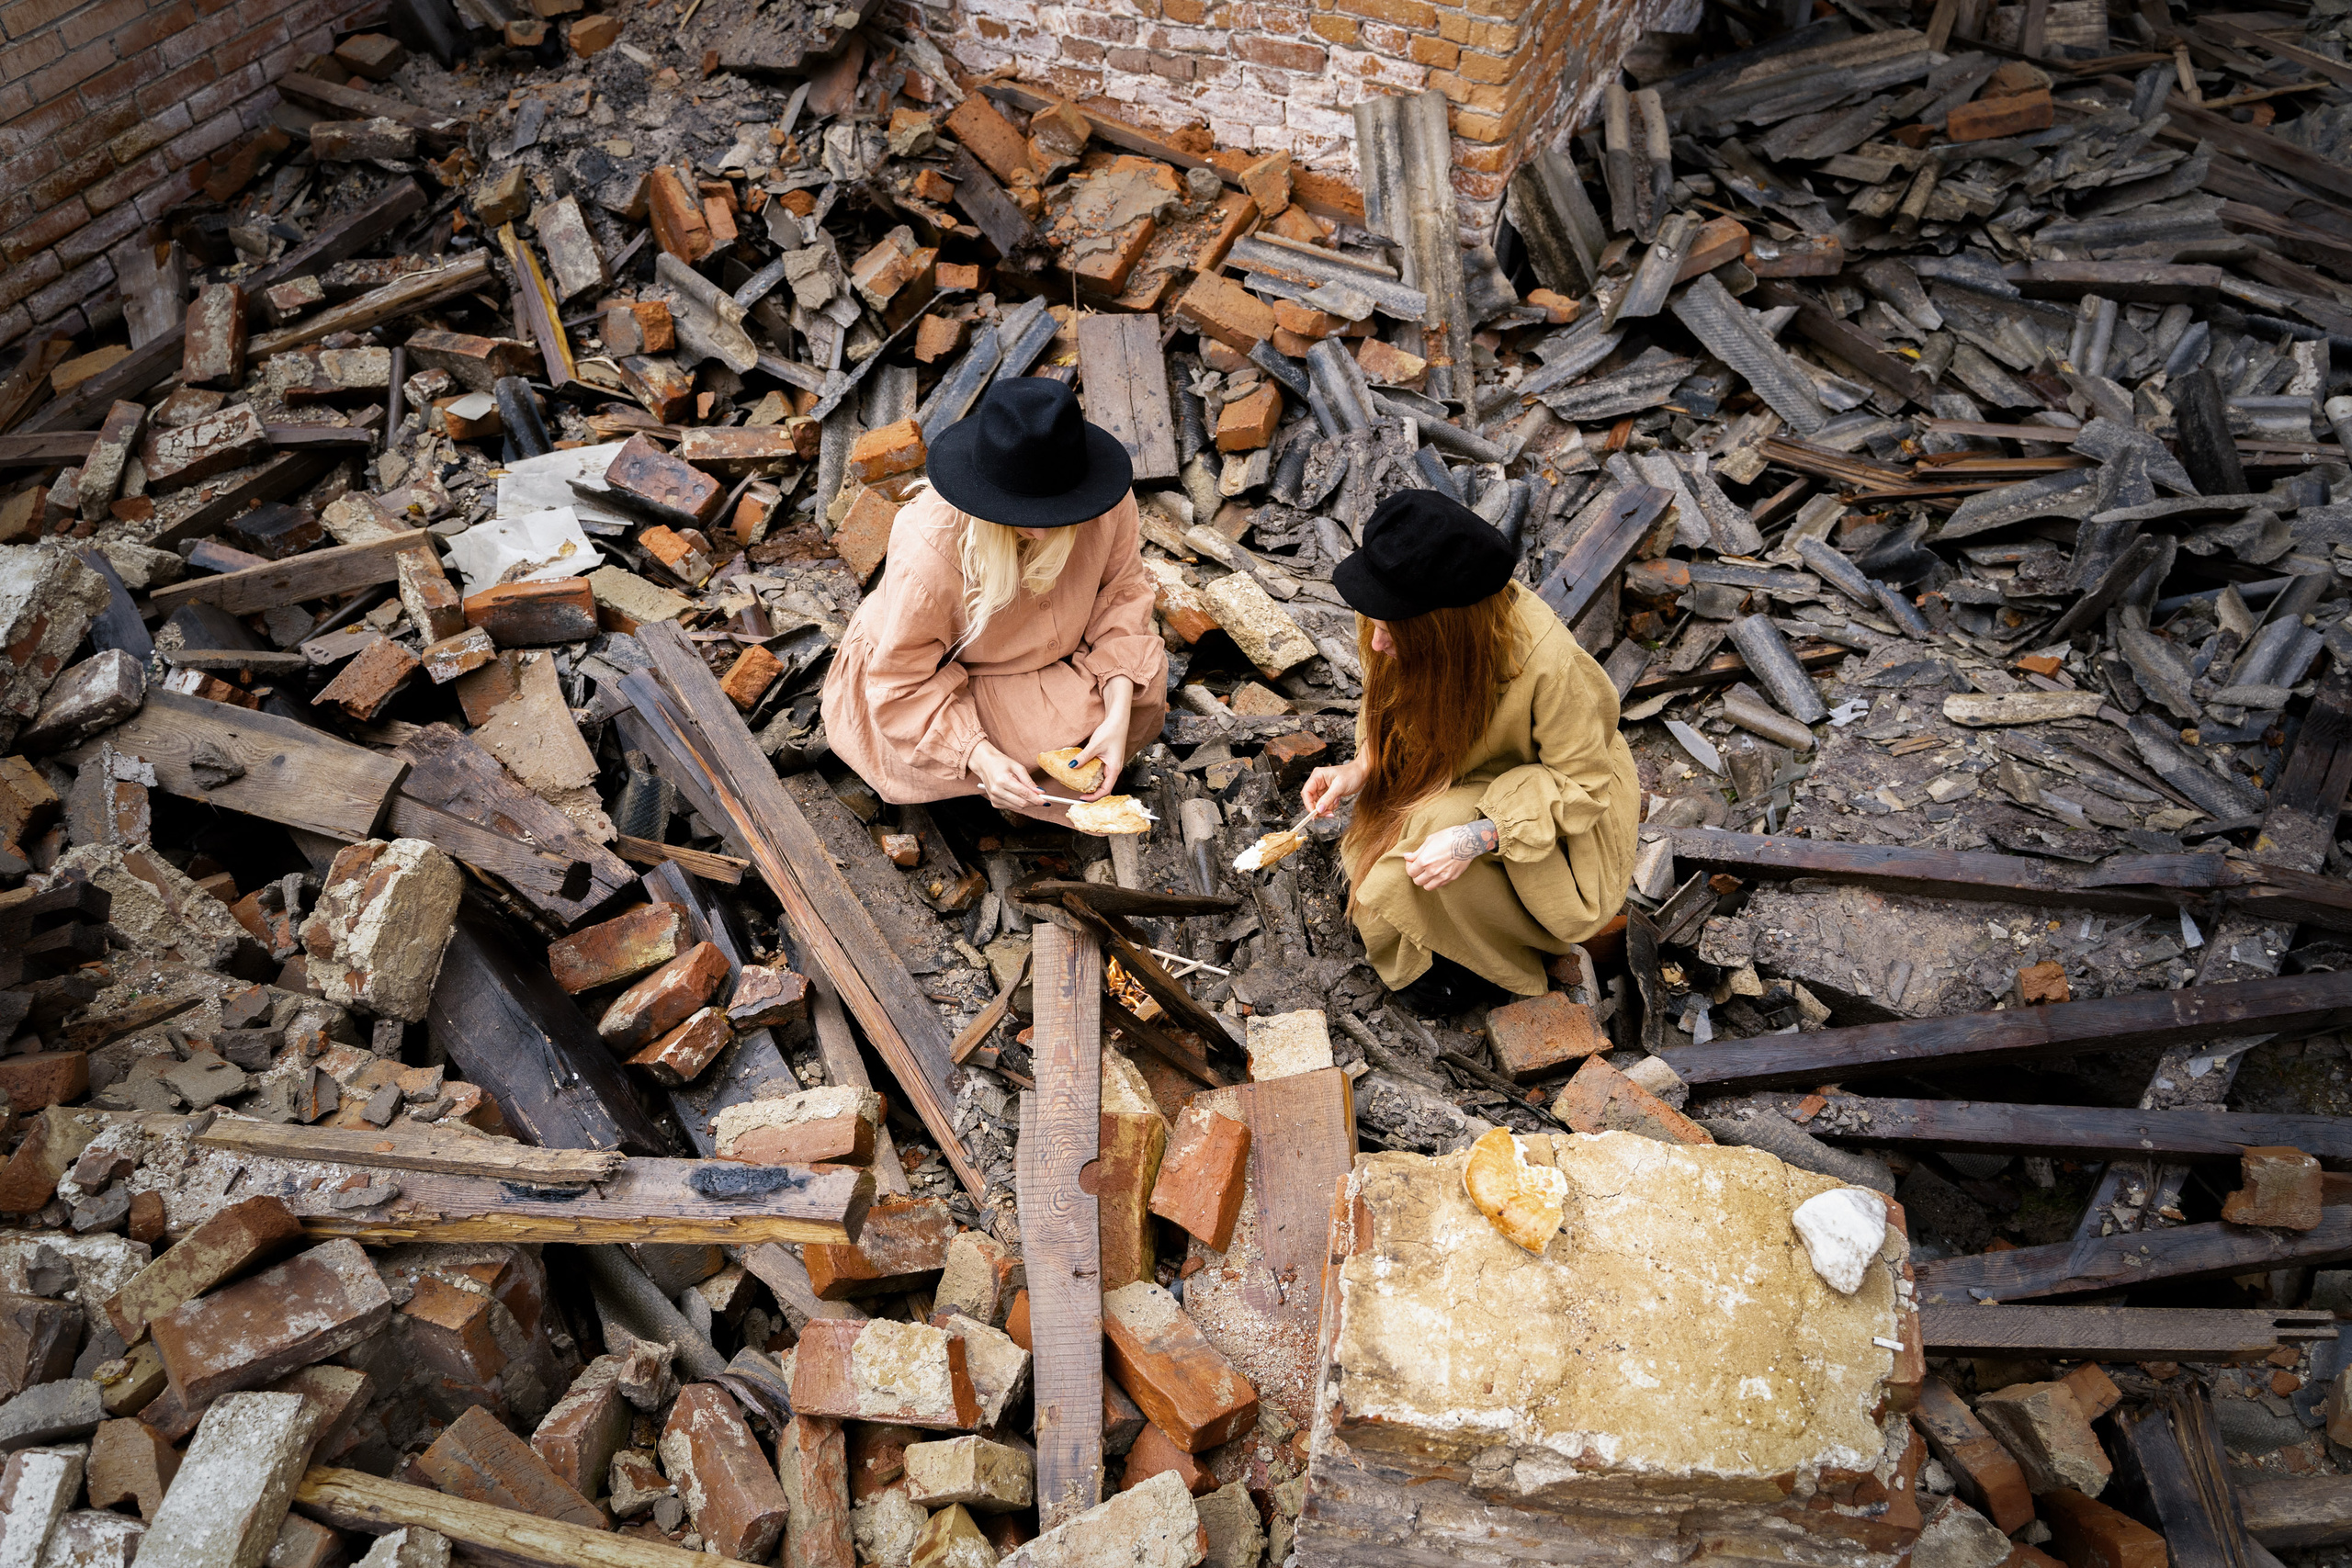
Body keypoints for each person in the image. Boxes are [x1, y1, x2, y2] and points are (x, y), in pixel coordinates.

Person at [1301, 490, 1638, 1013]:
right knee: (1421, 840)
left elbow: (1583, 786)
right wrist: (1361, 767)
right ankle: (1436, 927)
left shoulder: (1548, 664)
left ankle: (1490, 953)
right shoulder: (1397, 613)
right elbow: (1391, 702)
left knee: (1437, 829)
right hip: (1457, 775)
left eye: (1393, 632)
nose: (1376, 645)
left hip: (1544, 806)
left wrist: (1479, 835)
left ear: (1443, 629)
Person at [820, 378, 1168, 823]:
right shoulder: (930, 551)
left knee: (1141, 688)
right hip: (946, 675)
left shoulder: (1105, 502)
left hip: (1050, 648)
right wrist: (979, 755)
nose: (1041, 531)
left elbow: (1121, 594)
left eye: (1058, 513)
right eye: (1023, 517)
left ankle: (1060, 759)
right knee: (1048, 735)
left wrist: (1118, 712)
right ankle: (989, 785)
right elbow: (900, 684)